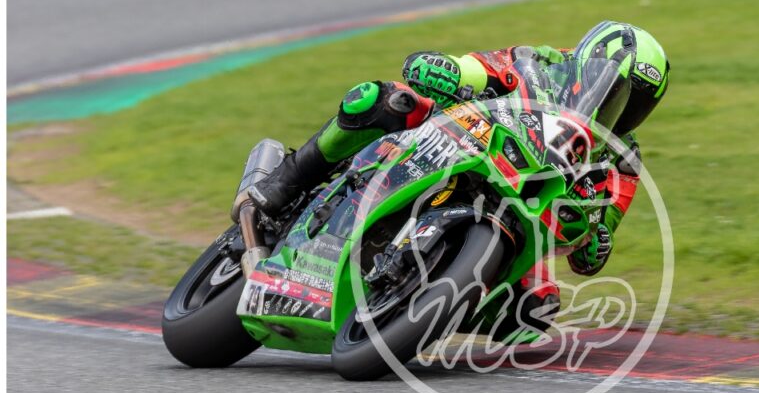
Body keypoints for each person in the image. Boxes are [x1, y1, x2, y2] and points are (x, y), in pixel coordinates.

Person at [245, 21, 670, 333]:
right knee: (380, 100)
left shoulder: (623, 160)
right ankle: (286, 180)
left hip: (521, 212)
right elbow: (478, 69)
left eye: (639, 103)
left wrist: (596, 240)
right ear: (589, 62)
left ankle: (426, 305)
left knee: (535, 310)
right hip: (458, 143)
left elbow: (598, 234)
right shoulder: (541, 63)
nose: (625, 108)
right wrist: (445, 69)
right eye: (621, 92)